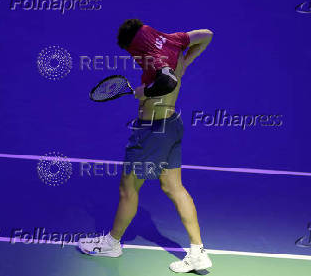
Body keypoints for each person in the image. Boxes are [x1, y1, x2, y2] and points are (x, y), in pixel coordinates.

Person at [79, 19, 213, 273]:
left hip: (151, 132)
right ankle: (197, 252)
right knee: (174, 187)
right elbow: (207, 35)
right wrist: (186, 61)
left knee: (128, 189)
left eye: (131, 51)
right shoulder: (173, 39)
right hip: (171, 124)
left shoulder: (154, 56)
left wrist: (145, 91)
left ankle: (112, 243)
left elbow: (167, 82)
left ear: (135, 44)